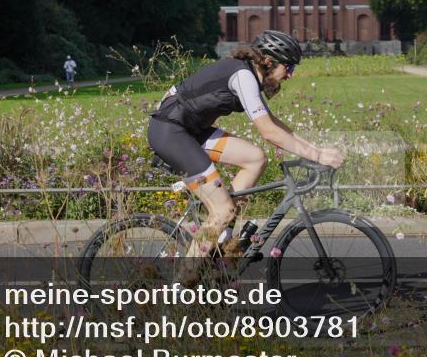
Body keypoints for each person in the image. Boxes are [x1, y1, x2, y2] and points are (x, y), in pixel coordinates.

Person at [147, 30, 343, 281]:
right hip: (171, 132)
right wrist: (316, 155)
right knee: (222, 210)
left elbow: (274, 122)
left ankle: (223, 239)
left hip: (191, 130)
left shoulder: (249, 74)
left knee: (255, 158)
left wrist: (317, 151)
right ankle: (180, 289)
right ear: (269, 61)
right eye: (289, 67)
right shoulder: (243, 76)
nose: (290, 75)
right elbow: (269, 132)